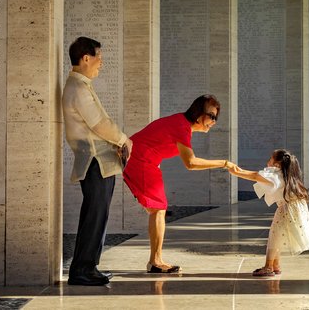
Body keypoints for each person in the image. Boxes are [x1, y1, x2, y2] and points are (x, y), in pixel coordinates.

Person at [122, 94, 237, 273]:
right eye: (212, 116)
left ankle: (155, 260)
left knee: (158, 208)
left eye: (216, 117)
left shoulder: (181, 124)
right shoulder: (181, 127)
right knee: (159, 208)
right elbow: (190, 163)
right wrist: (224, 163)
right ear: (199, 114)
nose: (214, 121)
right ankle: (155, 262)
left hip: (144, 161)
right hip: (139, 160)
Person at [62, 36, 133, 286]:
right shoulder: (78, 88)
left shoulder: (79, 85)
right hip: (95, 161)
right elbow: (99, 124)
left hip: (96, 161)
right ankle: (83, 269)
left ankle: (86, 267)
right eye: (99, 57)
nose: (101, 62)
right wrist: (123, 139)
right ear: (85, 58)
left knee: (96, 215)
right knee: (95, 215)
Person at [227, 149, 309, 276]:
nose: (268, 161)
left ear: (277, 164)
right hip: (296, 208)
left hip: (287, 208)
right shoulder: (287, 174)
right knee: (278, 236)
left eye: (271, 158)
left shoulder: (276, 174)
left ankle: (268, 267)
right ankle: (275, 265)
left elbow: (256, 176)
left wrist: (236, 171)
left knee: (274, 236)